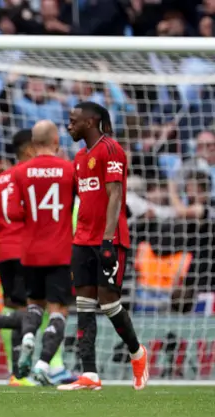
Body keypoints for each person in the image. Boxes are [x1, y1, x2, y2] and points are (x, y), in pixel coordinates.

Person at [59, 102, 148, 391]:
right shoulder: (80, 156)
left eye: (73, 120)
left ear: (91, 121)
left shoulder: (111, 150)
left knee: (109, 303)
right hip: (82, 240)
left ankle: (137, 352)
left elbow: (115, 196)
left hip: (108, 240)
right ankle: (90, 375)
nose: (69, 125)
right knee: (84, 305)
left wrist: (108, 240)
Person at [0, 129, 74, 386]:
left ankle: (18, 372)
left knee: (18, 306)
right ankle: (50, 366)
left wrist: (3, 232)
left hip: (4, 253)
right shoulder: (38, 175)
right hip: (30, 250)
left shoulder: (1, 180)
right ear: (31, 148)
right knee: (42, 309)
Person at [5, 120, 75, 385]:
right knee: (59, 311)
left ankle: (27, 338)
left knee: (34, 305)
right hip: (60, 252)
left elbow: (12, 213)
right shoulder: (69, 170)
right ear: (56, 141)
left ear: (33, 144)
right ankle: (44, 364)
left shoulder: (20, 173)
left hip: (30, 252)